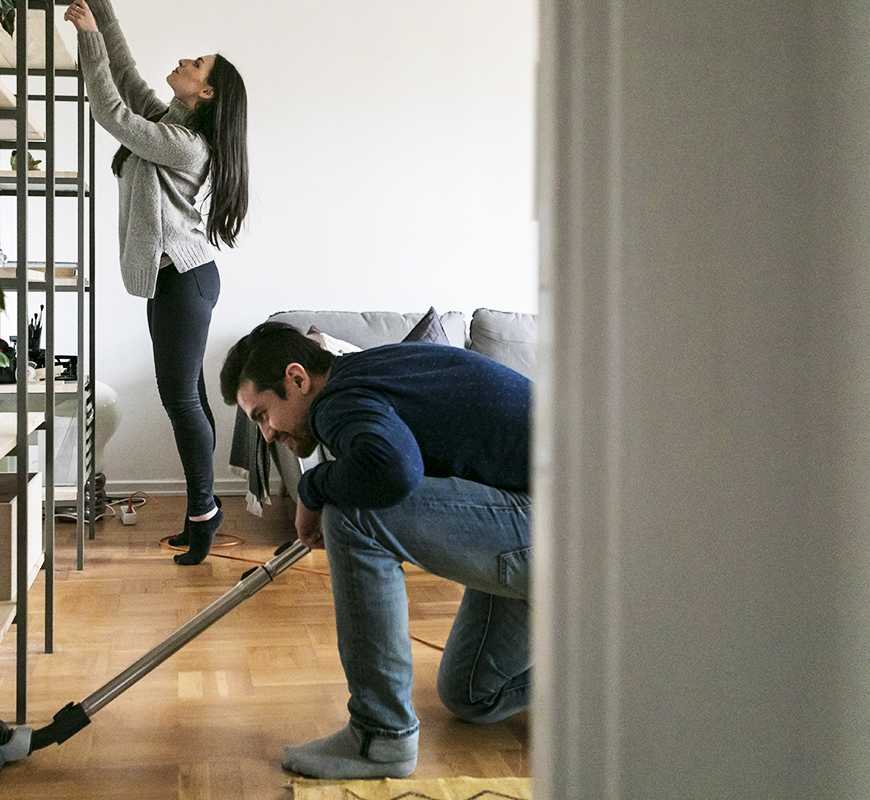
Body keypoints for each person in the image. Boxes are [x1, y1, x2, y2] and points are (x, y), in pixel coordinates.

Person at [220, 322, 534, 780]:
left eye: (263, 415)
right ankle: (605, 688)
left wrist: (311, 489)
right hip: (562, 522)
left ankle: (380, 738)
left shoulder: (337, 400)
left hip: (573, 529)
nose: (267, 434)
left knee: (351, 512)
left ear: (297, 378)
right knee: (471, 694)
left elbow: (392, 469)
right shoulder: (366, 374)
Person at [65, 0, 248, 565]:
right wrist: (102, 12)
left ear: (207, 93)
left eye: (195, 64)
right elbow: (126, 76)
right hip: (178, 281)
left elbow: (114, 114)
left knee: (181, 401)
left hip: (185, 282)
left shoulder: (187, 144)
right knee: (188, 397)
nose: (183, 62)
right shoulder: (172, 122)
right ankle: (203, 509)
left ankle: (203, 513)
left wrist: (87, 38)